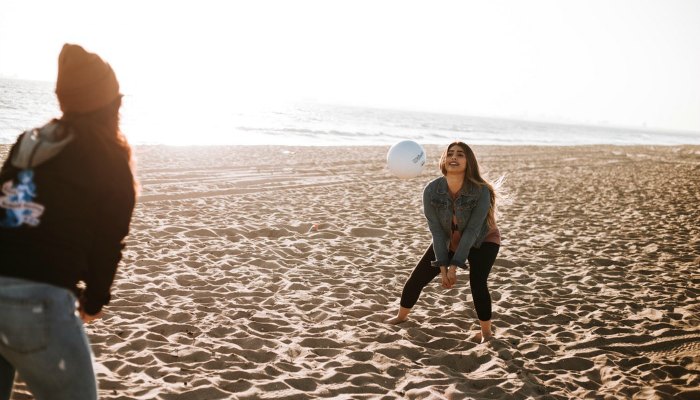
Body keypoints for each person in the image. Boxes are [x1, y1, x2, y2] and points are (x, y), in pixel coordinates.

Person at [0, 44, 136, 400]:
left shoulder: (27, 144)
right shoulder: (108, 157)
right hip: (38, 304)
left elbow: (7, 210)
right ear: (109, 104)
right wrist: (93, 301)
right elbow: (109, 242)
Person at [387, 141, 501, 343]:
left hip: (483, 240)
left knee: (478, 282)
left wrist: (454, 266)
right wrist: (442, 266)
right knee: (417, 278)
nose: (454, 157)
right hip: (449, 240)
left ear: (469, 161)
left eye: (460, 154)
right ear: (444, 160)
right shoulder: (431, 190)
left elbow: (473, 230)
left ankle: (486, 333)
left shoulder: (481, 190)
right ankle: (401, 317)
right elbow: (437, 232)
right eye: (450, 154)